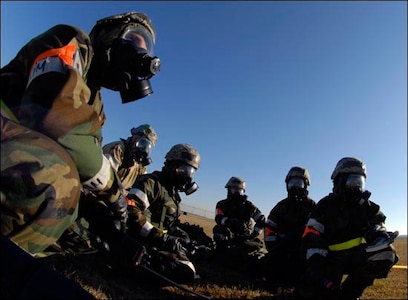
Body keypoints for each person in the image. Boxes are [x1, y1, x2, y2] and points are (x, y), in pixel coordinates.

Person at [1, 11, 160, 298]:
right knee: (54, 179)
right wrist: (112, 189)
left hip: (15, 153)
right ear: (110, 36)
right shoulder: (73, 40)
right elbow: (54, 118)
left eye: (145, 47)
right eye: (135, 40)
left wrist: (112, 232)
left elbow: (84, 168)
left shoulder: (96, 105)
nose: (140, 51)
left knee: (75, 213)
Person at [295, 157, 399, 300]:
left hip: (355, 257)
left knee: (386, 253)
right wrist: (316, 263)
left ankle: (350, 293)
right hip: (328, 259)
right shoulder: (325, 205)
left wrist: (378, 234)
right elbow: (311, 234)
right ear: (339, 181)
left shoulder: (368, 207)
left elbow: (378, 224)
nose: (356, 186)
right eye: (352, 181)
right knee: (316, 293)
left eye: (359, 182)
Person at [124, 143, 208, 283]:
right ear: (171, 164)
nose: (187, 177)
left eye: (191, 172)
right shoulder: (151, 182)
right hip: (142, 239)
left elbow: (165, 222)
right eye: (184, 170)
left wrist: (181, 237)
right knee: (185, 271)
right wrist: (160, 237)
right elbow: (131, 211)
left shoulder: (172, 193)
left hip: (158, 240)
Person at [261, 166, 316, 285]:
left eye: (299, 183)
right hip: (282, 249)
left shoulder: (313, 207)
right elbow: (269, 228)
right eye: (292, 183)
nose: (295, 186)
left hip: (303, 252)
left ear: (305, 185)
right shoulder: (281, 206)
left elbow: (318, 232)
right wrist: (275, 249)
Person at [212, 177, 266, 272]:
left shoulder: (249, 206)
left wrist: (254, 234)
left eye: (240, 190)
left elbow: (261, 219)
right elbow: (218, 218)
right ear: (229, 189)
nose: (237, 192)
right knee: (218, 233)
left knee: (256, 245)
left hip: (244, 237)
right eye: (234, 189)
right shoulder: (221, 204)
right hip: (227, 235)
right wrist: (230, 222)